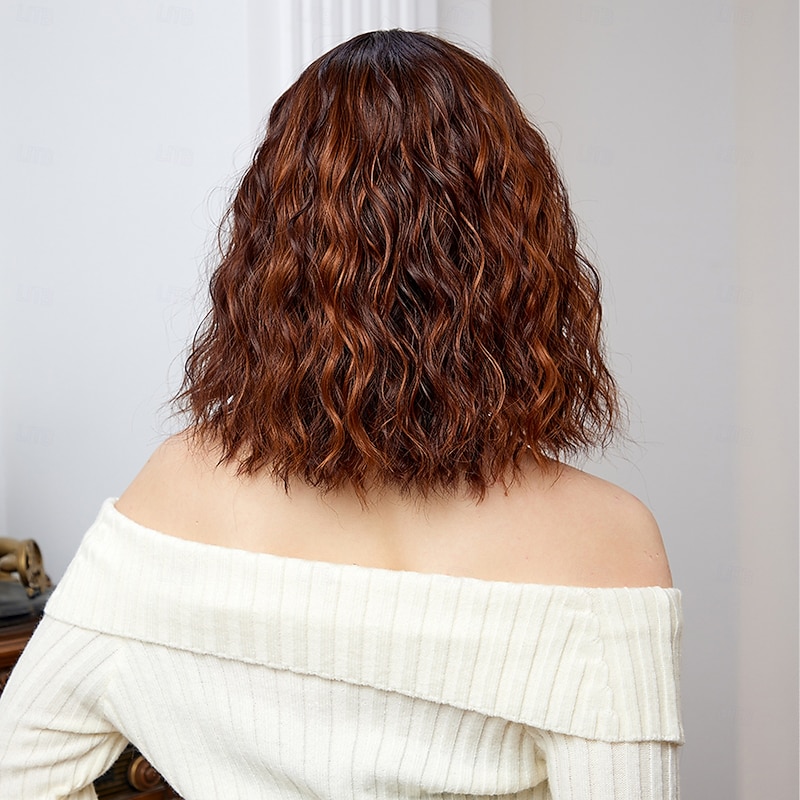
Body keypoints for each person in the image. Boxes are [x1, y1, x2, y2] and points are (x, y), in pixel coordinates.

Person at [0, 29, 682, 799]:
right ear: (521, 254)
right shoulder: (601, 539)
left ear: (271, 249)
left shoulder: (173, 493)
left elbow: (21, 768)